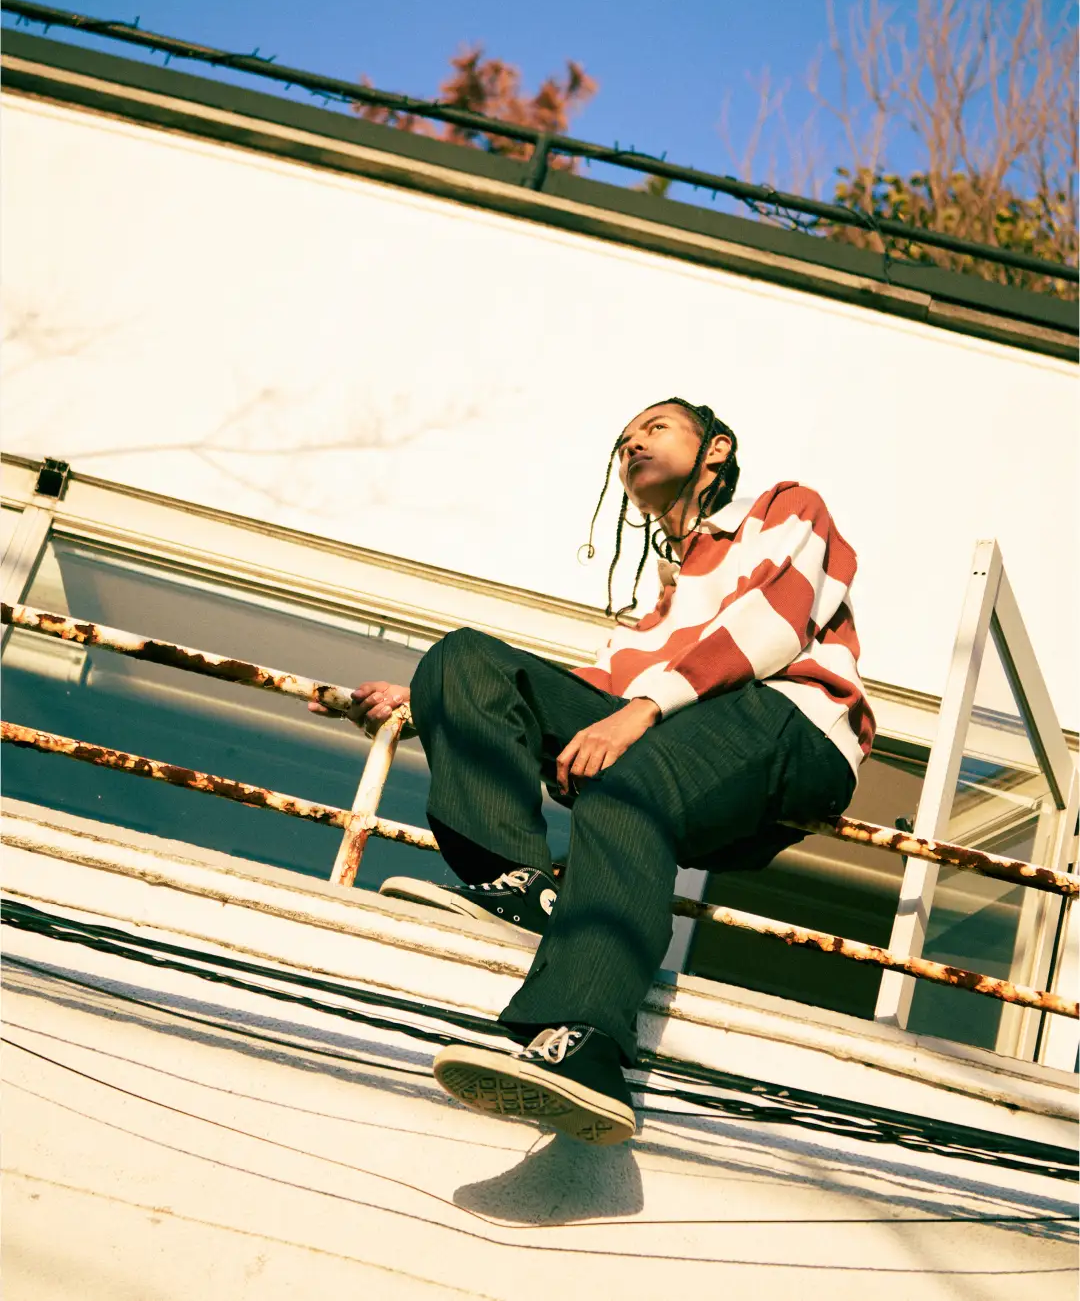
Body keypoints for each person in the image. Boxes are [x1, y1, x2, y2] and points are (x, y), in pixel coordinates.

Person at [311, 398, 875, 1146]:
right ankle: (522, 883)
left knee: (632, 771)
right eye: (624, 439)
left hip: (791, 728)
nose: (633, 443)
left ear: (715, 449)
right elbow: (584, 702)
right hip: (677, 744)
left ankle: (588, 1045)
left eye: (656, 428)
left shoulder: (780, 509)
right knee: (465, 659)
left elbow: (773, 623)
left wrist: (642, 710)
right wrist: (426, 701)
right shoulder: (657, 618)